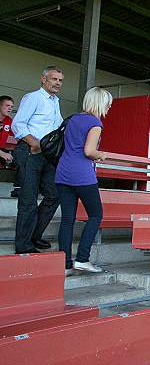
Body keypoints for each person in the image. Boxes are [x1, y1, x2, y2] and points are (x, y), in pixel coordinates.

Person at [55, 87, 112, 274]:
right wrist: (101, 154)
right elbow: (88, 151)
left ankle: (64, 264)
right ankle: (82, 259)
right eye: (108, 103)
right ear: (100, 103)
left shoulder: (73, 119)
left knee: (67, 219)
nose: (109, 107)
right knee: (96, 215)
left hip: (63, 173)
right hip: (82, 175)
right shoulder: (95, 123)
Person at [11, 66, 63, 254]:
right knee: (28, 200)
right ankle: (23, 245)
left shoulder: (56, 101)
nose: (57, 83)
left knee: (54, 194)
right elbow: (18, 124)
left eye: (60, 80)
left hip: (47, 154)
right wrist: (33, 142)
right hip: (29, 151)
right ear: (43, 79)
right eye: (54, 79)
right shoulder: (33, 98)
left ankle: (33, 235)